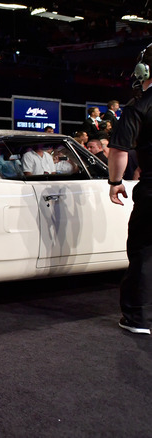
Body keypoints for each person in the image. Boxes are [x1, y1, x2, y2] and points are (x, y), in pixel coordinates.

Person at [108, 43, 152, 335]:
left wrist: (115, 182)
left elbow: (119, 150)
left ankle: (137, 319)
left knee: (144, 252)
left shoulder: (139, 105)